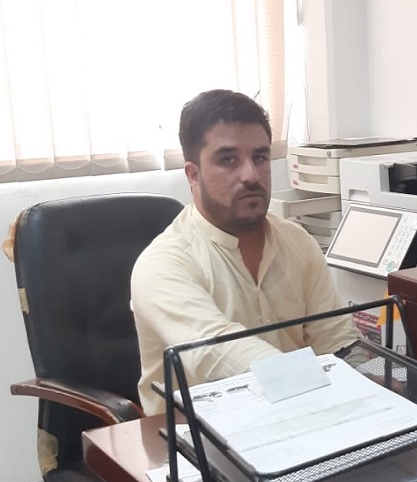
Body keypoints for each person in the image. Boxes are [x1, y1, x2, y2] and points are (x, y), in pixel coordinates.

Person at [131, 89, 360, 414]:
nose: (251, 175)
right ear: (193, 175)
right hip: (197, 435)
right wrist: (322, 390)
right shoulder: (162, 265)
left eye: (260, 158)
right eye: (228, 160)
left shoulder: (297, 241)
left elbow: (336, 339)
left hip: (299, 415)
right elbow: (219, 354)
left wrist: (379, 383)